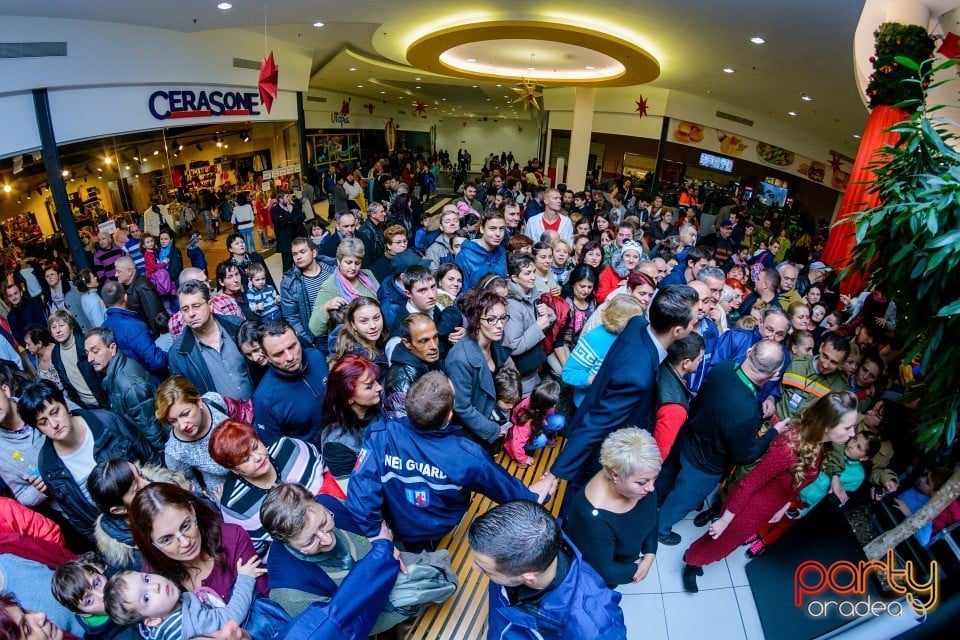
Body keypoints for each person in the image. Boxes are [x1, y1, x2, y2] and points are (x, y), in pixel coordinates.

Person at [532, 285, 700, 505]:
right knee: (582, 495)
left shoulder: (636, 324)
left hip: (593, 417)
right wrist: (554, 474)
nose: (697, 322)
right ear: (677, 330)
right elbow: (597, 424)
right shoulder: (636, 376)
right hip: (601, 445)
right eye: (695, 319)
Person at [681, 392, 859, 592]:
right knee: (719, 544)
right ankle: (692, 561)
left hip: (765, 510)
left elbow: (793, 485)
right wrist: (724, 520)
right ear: (827, 426)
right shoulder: (788, 450)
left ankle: (696, 558)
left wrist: (782, 506)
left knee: (723, 544)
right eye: (847, 427)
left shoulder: (819, 444)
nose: (852, 433)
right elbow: (748, 484)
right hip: (746, 511)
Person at [347, 372, 542, 551]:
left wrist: (375, 534)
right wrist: (535, 496)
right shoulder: (465, 455)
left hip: (402, 526)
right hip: (440, 529)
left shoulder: (380, 435)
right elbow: (508, 491)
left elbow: (360, 492)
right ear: (449, 416)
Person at [655, 340, 787, 546]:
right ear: (774, 375)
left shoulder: (723, 368)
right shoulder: (748, 412)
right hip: (705, 467)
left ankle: (649, 505)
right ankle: (659, 531)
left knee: (665, 480)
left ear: (749, 351)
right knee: (680, 501)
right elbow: (743, 456)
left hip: (686, 439)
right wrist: (773, 433)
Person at [17, 379, 159, 542]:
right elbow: (77, 517)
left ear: (64, 404)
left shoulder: (106, 423)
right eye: (43, 422)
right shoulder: (48, 464)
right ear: (38, 428)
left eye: (55, 412)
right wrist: (106, 543)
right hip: (122, 535)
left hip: (152, 505)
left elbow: (149, 457)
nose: (54, 424)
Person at [259, 484, 406, 636]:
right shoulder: (290, 593)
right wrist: (405, 607)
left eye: (324, 523)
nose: (328, 540)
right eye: (310, 542)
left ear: (317, 502)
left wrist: (380, 540)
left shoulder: (328, 503)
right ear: (287, 542)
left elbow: (372, 528)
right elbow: (344, 629)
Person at [468, 500, 627, 639]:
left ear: (529, 577)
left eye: (486, 570)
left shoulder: (594, 627)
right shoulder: (521, 553)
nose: (474, 568)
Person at [128, 483, 268, 607]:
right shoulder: (153, 581)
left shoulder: (232, 538)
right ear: (151, 544)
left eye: (186, 526)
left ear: (192, 510)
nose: (185, 542)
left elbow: (263, 602)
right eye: (167, 540)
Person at [208, 419, 332, 556]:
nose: (258, 457)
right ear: (233, 469)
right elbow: (260, 551)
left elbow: (327, 470)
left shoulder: (288, 447)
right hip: (304, 552)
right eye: (245, 459)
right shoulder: (235, 507)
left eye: (255, 447)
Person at [563, 428, 660, 588]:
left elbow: (651, 514)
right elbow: (603, 570)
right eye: (642, 482)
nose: (651, 488)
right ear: (615, 475)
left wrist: (650, 552)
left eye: (654, 479)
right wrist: (637, 569)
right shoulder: (592, 520)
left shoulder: (639, 478)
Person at [104, 555, 266, 639]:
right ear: (151, 620)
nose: (155, 586)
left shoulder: (159, 624)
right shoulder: (187, 625)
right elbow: (231, 616)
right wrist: (245, 578)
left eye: (146, 579)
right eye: (146, 598)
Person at [88, 458, 189, 573]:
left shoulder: (167, 487)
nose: (148, 483)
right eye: (137, 489)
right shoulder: (124, 559)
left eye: (141, 475)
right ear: (119, 510)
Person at [444, 290, 516, 445]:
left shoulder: (495, 342)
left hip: (489, 417)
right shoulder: (460, 358)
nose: (499, 325)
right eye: (491, 320)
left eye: (503, 318)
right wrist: (491, 429)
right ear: (476, 320)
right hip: (470, 435)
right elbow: (462, 407)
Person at [84, 327, 166, 456]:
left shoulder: (129, 385)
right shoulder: (116, 371)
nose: (89, 359)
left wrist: (164, 466)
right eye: (87, 352)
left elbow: (155, 433)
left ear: (112, 348)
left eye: (95, 351)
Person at [169, 280, 252, 401]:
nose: (191, 314)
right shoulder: (178, 355)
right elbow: (185, 398)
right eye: (185, 309)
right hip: (221, 419)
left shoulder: (236, 327)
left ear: (210, 305)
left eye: (196, 306)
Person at [252, 319, 328, 447]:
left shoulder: (316, 357)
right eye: (278, 354)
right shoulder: (264, 399)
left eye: (292, 346)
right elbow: (275, 447)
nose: (289, 357)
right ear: (266, 356)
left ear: (298, 338)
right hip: (315, 460)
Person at [562, 295, 646, 408]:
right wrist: (593, 379)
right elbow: (569, 373)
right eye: (636, 320)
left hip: (615, 403)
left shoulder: (631, 336)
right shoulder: (595, 338)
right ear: (620, 319)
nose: (641, 323)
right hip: (591, 406)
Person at [155, 375, 231, 494]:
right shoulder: (176, 452)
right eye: (173, 421)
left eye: (185, 414)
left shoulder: (214, 400)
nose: (182, 425)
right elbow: (191, 488)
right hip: (226, 494)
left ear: (198, 401)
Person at [319, 355, 383, 486]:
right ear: (349, 398)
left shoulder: (377, 408)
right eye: (369, 386)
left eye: (376, 381)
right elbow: (354, 493)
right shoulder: (336, 445)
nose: (379, 388)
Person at [52, 551, 141, 639]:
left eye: (97, 583)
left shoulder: (126, 576)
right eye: (89, 600)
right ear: (84, 614)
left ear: (101, 574)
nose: (102, 594)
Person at [504, 253, 555, 397]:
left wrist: (550, 313)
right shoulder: (512, 305)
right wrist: (538, 327)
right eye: (527, 273)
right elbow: (514, 346)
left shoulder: (533, 293)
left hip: (534, 368)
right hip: (521, 374)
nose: (533, 276)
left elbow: (546, 321)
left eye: (533, 272)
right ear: (514, 277)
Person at [308, 238, 379, 341]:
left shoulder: (368, 275)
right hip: (352, 344)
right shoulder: (329, 287)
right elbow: (315, 329)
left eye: (357, 263)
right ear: (338, 260)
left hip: (377, 336)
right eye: (348, 262)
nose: (353, 268)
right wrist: (325, 308)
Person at [0, 363, 50, 510]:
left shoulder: (37, 400)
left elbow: (80, 421)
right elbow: (21, 494)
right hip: (71, 508)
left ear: (5, 390)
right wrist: (39, 490)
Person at [652, 333, 705, 459]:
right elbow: (658, 454)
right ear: (686, 363)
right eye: (699, 359)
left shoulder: (660, 364)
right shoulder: (675, 406)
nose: (701, 361)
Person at [100, 280, 169, 377]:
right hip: (147, 382)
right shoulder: (134, 326)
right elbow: (157, 362)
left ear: (103, 303)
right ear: (125, 297)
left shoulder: (103, 328)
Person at [382, 314, 443, 418]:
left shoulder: (428, 359)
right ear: (407, 343)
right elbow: (402, 428)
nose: (433, 346)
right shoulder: (400, 382)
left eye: (435, 337)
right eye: (424, 341)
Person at [280, 237, 336, 350]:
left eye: (302, 252)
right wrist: (307, 341)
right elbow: (291, 317)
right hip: (317, 339)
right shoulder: (290, 283)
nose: (298, 257)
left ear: (314, 253)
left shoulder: (332, 270)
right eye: (294, 254)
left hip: (341, 330)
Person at [48, 310, 108, 410]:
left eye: (62, 325)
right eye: (54, 327)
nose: (58, 330)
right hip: (85, 406)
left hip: (105, 399)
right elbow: (66, 385)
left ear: (71, 327)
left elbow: (105, 371)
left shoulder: (86, 343)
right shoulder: (55, 354)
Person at [504, 379, 565, 467]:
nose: (555, 405)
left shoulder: (539, 399)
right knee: (541, 440)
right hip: (522, 434)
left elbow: (550, 413)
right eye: (554, 403)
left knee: (559, 421)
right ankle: (529, 447)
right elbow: (516, 443)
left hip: (537, 423)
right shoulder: (525, 419)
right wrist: (523, 458)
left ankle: (544, 435)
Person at [115, 256, 168, 338]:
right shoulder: (127, 286)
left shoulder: (143, 286)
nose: (116, 275)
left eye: (118, 272)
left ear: (129, 271)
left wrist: (154, 339)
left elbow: (155, 316)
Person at [456, 209, 508, 291]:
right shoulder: (465, 256)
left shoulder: (501, 251)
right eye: (492, 228)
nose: (498, 234)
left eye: (501, 229)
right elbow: (462, 292)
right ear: (482, 229)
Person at [42, 263, 91, 333]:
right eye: (47, 276)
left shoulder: (73, 287)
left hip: (82, 328)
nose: (50, 277)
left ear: (59, 275)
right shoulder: (47, 297)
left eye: (52, 274)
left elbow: (87, 305)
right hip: (64, 333)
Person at [5, 281, 47, 348]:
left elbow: (42, 323)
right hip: (29, 348)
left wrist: (39, 342)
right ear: (8, 299)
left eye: (15, 293)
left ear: (21, 293)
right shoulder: (10, 316)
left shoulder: (33, 305)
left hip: (43, 342)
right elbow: (17, 335)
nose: (14, 297)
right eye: (10, 296)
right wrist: (28, 346)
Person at [272, 191, 304, 272]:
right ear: (281, 199)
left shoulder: (293, 206)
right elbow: (280, 223)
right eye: (287, 197)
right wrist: (289, 213)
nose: (289, 198)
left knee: (300, 264)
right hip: (285, 244)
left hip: (296, 241)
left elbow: (301, 216)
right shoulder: (275, 210)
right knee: (287, 267)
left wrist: (290, 221)